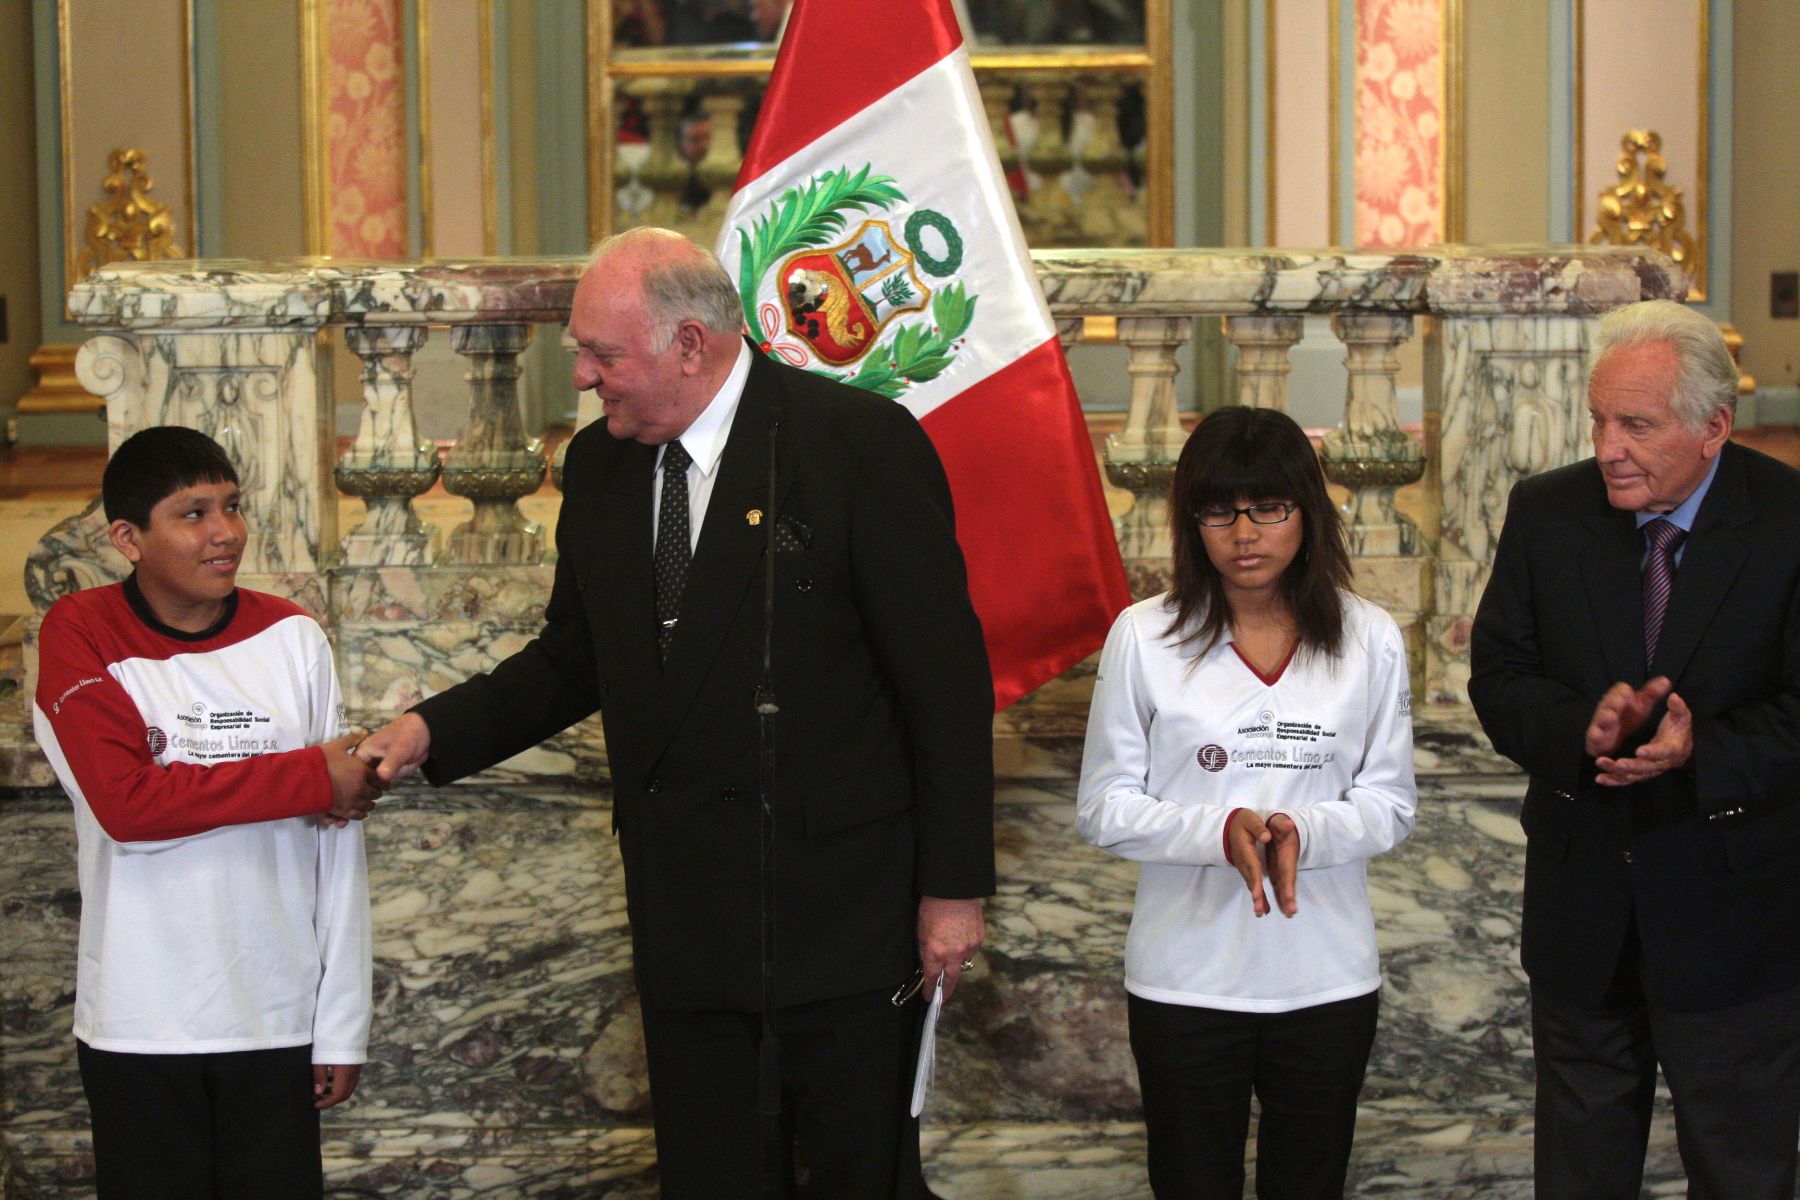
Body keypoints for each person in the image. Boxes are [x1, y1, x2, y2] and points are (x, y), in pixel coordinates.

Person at [356, 227, 994, 1198]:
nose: (581, 377)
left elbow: (944, 688)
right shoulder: (605, 470)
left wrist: (953, 890)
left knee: (857, 1179)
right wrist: (432, 731)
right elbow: (574, 660)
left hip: (841, 919)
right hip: (687, 918)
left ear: (689, 344)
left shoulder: (853, 447)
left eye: (601, 354)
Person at [1469, 298, 1800, 1200]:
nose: (1608, 445)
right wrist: (1579, 730)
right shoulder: (1547, 512)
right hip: (1584, 915)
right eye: (1599, 419)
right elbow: (1499, 677)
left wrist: (1702, 752)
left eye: (1636, 425)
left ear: (1714, 428)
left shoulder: (1787, 521)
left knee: (1742, 1172)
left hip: (1738, 924)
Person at [31, 426, 382, 1199]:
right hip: (139, 1020)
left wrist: (341, 1022)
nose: (225, 533)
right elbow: (129, 804)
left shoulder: (293, 638)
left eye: (231, 506)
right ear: (128, 538)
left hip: (276, 1016)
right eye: (192, 514)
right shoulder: (79, 633)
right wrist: (309, 776)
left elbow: (337, 849)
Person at [1077, 406, 1417, 1200]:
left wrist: (1306, 829)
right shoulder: (1145, 636)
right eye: (1218, 510)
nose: (1245, 533)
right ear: (1191, 519)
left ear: (1309, 511)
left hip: (1325, 977)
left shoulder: (1368, 638)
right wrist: (1219, 829)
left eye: (1270, 507)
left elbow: (1391, 802)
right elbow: (1104, 804)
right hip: (1184, 980)